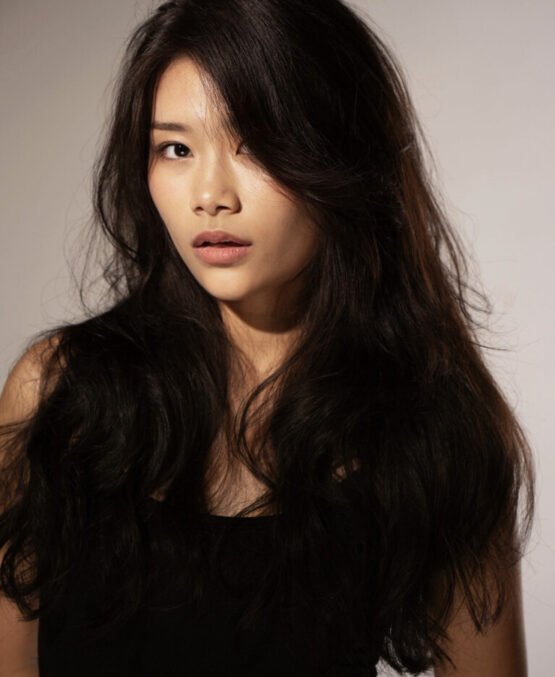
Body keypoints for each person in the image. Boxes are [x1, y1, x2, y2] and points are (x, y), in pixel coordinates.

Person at [0, 0, 535, 675]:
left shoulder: (434, 435)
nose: (210, 195)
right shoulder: (59, 394)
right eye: (175, 148)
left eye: (254, 143)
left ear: (344, 156)